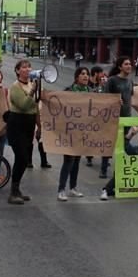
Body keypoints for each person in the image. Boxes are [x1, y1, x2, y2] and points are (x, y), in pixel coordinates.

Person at [6, 59, 39, 205]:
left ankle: (17, 189)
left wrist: (40, 127)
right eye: (24, 67)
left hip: (29, 124)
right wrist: (33, 91)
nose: (27, 69)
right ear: (18, 71)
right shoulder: (15, 87)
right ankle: (13, 192)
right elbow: (25, 105)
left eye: (29, 67)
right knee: (22, 157)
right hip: (17, 124)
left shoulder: (32, 84)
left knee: (24, 159)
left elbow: (36, 107)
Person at [57, 67, 90, 201]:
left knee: (76, 160)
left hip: (83, 132)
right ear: (76, 77)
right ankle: (61, 189)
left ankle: (73, 188)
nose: (86, 76)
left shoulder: (90, 92)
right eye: (82, 74)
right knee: (68, 160)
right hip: (70, 131)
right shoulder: (69, 91)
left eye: (87, 74)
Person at [100, 56, 133, 186]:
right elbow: (105, 96)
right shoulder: (112, 80)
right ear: (120, 66)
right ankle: (103, 169)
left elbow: (131, 98)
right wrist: (114, 101)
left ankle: (128, 167)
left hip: (126, 118)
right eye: (126, 64)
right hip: (113, 118)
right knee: (109, 144)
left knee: (125, 143)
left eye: (130, 64)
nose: (129, 66)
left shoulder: (130, 81)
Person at [99, 127, 138, 200]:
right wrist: (131, 134)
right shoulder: (136, 152)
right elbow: (125, 145)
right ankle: (106, 190)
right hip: (133, 179)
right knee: (121, 171)